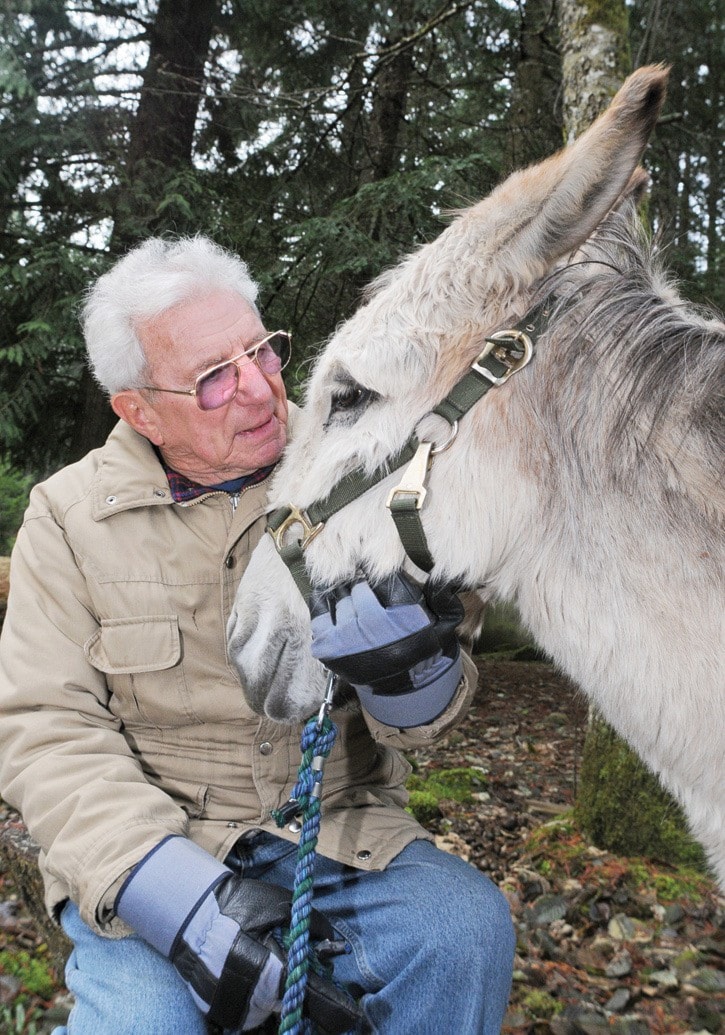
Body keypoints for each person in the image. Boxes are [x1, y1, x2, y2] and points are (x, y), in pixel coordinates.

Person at [0, 236, 515, 1034]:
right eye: (212, 378)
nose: (259, 389)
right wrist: (181, 904)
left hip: (344, 830)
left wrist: (411, 670)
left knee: (460, 933)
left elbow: (426, 725)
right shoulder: (67, 518)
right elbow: (43, 727)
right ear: (138, 409)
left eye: (261, 351)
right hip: (149, 842)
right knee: (143, 1025)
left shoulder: (369, 462)